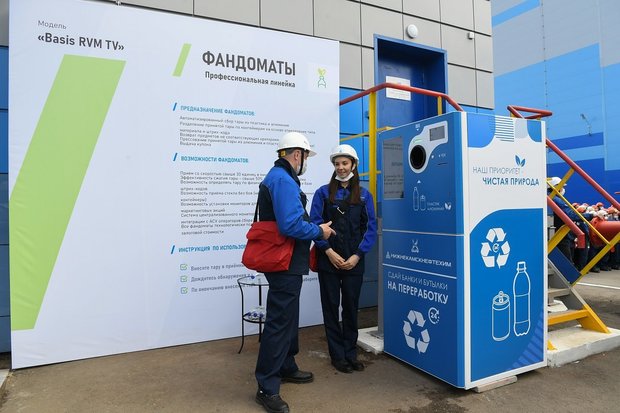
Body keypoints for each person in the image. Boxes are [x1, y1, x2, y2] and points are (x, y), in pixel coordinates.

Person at [253, 132, 336, 413]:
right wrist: (319, 231)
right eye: (306, 157)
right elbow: (290, 224)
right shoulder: (282, 180)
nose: (305, 162)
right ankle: (267, 387)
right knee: (279, 322)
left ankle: (286, 365)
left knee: (288, 318)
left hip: (288, 262)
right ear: (298, 154)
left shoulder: (281, 178)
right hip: (285, 263)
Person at [309, 144, 377, 374]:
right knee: (330, 308)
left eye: (345, 163)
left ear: (354, 165)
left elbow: (370, 229)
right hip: (328, 260)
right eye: (337, 164)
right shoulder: (322, 193)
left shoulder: (365, 196)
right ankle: (337, 356)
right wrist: (328, 251)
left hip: (353, 262)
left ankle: (350, 353)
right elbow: (315, 225)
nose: (341, 167)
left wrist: (357, 256)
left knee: (350, 307)